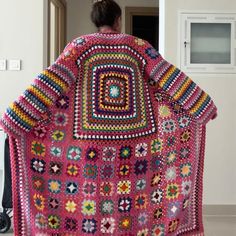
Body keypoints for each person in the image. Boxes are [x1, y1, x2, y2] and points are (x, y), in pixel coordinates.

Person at [0, 0, 217, 235]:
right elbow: (168, 76)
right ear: (118, 20)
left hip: (88, 145)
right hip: (136, 145)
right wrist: (202, 105)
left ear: (95, 21)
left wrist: (16, 116)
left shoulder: (80, 46)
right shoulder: (138, 46)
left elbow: (52, 80)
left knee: (89, 195)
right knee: (135, 196)